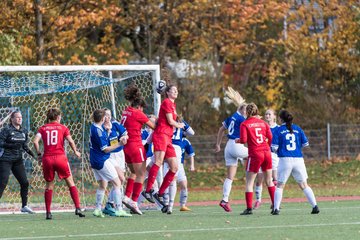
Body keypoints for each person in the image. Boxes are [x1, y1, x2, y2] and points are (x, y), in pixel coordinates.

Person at [33, 108, 85, 220]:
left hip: (47, 159)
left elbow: (35, 141)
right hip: (60, 158)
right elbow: (70, 141)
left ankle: (48, 212)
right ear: (58, 117)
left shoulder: (42, 128)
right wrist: (75, 151)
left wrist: (38, 153)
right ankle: (77, 208)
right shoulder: (63, 128)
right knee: (70, 182)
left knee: (49, 185)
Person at [142, 84, 185, 207]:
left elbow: (170, 120)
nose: (176, 92)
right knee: (158, 162)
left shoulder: (172, 104)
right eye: (173, 90)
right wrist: (180, 125)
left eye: (177, 90)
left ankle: (160, 193)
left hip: (168, 137)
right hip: (161, 135)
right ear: (167, 93)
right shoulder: (166, 102)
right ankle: (148, 189)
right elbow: (171, 121)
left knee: (174, 168)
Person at [271, 110, 320, 215]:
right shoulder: (297, 128)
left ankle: (276, 209)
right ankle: (315, 206)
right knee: (304, 185)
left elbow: (274, 148)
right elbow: (305, 144)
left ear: (280, 119)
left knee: (280, 185)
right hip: (298, 159)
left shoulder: (278, 130)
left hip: (285, 160)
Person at [121, 85, 156, 215]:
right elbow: (153, 126)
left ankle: (126, 197)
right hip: (136, 146)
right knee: (142, 174)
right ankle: (134, 202)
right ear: (139, 106)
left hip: (126, 147)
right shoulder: (138, 114)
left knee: (134, 173)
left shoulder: (126, 111)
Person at [89, 109, 129, 218]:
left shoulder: (94, 126)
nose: (107, 117)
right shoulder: (99, 131)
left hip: (95, 160)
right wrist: (120, 143)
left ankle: (97, 209)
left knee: (103, 184)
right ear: (102, 118)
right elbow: (105, 149)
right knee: (117, 182)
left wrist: (107, 132)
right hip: (101, 160)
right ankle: (119, 209)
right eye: (105, 116)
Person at [237, 103, 275, 215]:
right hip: (266, 152)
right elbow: (270, 137)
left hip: (255, 154)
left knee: (249, 182)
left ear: (247, 112)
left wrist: (238, 140)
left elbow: (243, 140)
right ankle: (275, 205)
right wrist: (267, 147)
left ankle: (249, 209)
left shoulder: (244, 124)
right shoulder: (263, 123)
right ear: (257, 111)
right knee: (269, 181)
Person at [0, 110, 36, 214]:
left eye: (21, 117)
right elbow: (0, 143)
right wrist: (11, 146)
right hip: (5, 160)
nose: (20, 119)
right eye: (17, 117)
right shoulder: (6, 130)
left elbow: (24, 146)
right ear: (12, 119)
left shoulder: (24, 131)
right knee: (2, 183)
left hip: (17, 160)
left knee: (24, 183)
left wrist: (34, 156)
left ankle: (24, 206)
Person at [215, 104, 248, 212]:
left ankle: (224, 200)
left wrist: (218, 144)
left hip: (228, 147)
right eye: (246, 110)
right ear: (242, 110)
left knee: (230, 177)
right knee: (257, 153)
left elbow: (221, 130)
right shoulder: (242, 119)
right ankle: (267, 178)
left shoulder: (231, 117)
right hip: (236, 145)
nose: (247, 112)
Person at [101, 108, 132, 217]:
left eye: (109, 115)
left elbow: (125, 134)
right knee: (119, 179)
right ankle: (112, 204)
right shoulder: (100, 128)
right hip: (109, 156)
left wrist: (124, 138)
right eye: (105, 115)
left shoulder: (115, 124)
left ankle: (110, 204)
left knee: (120, 180)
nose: (107, 117)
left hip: (119, 154)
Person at [162, 118, 195, 214]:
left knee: (181, 183)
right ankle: (168, 204)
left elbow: (191, 134)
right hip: (172, 148)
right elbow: (192, 132)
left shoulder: (184, 140)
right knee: (171, 180)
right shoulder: (173, 121)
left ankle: (179, 205)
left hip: (174, 154)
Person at [253, 109, 279, 210]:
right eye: (266, 114)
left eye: (269, 114)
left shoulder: (278, 128)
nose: (267, 115)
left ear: (274, 116)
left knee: (274, 179)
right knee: (259, 178)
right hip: (262, 153)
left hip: (274, 155)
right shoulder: (261, 126)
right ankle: (258, 200)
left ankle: (275, 201)